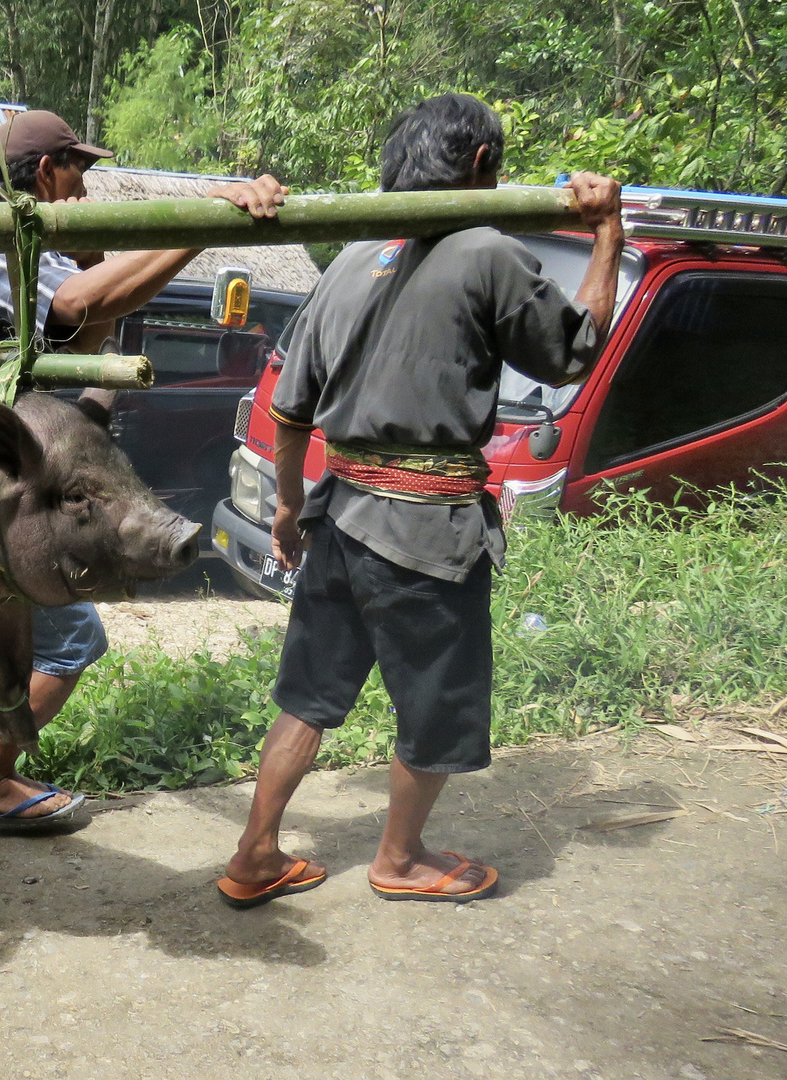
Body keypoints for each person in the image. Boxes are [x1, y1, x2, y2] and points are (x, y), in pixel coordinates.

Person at [216, 94, 624, 908]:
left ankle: (254, 854)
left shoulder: (354, 255)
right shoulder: (487, 252)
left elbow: (292, 413)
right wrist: (609, 230)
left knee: (308, 696)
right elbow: (575, 353)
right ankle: (399, 859)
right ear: (480, 165)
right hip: (428, 529)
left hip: (336, 518)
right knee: (439, 702)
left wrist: (290, 510)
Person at [0, 110, 287, 824]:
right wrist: (202, 221)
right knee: (74, 637)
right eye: (79, 172)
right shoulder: (3, 252)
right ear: (43, 174)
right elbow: (78, 303)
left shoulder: (27, 257)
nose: (86, 189)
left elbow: (87, 330)